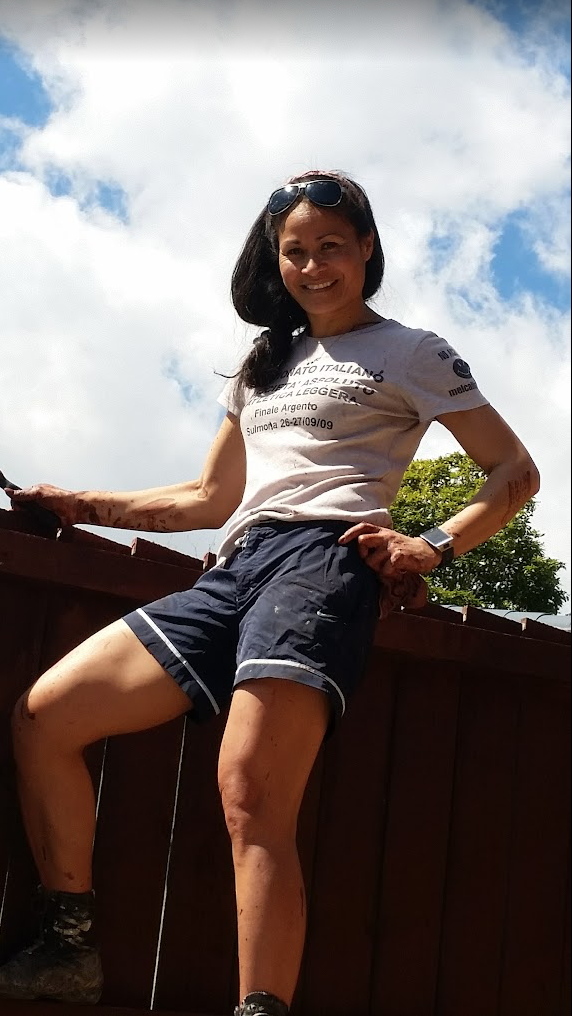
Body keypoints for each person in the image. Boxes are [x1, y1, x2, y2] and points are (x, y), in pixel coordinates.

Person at [0, 170, 539, 1016]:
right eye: (295, 252)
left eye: (332, 247)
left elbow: (514, 470)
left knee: (249, 792)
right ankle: (69, 947)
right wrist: (78, 503)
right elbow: (206, 499)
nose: (313, 266)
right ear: (275, 260)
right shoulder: (262, 363)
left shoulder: (411, 351)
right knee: (45, 716)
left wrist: (430, 544)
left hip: (323, 562)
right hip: (233, 567)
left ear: (366, 249)